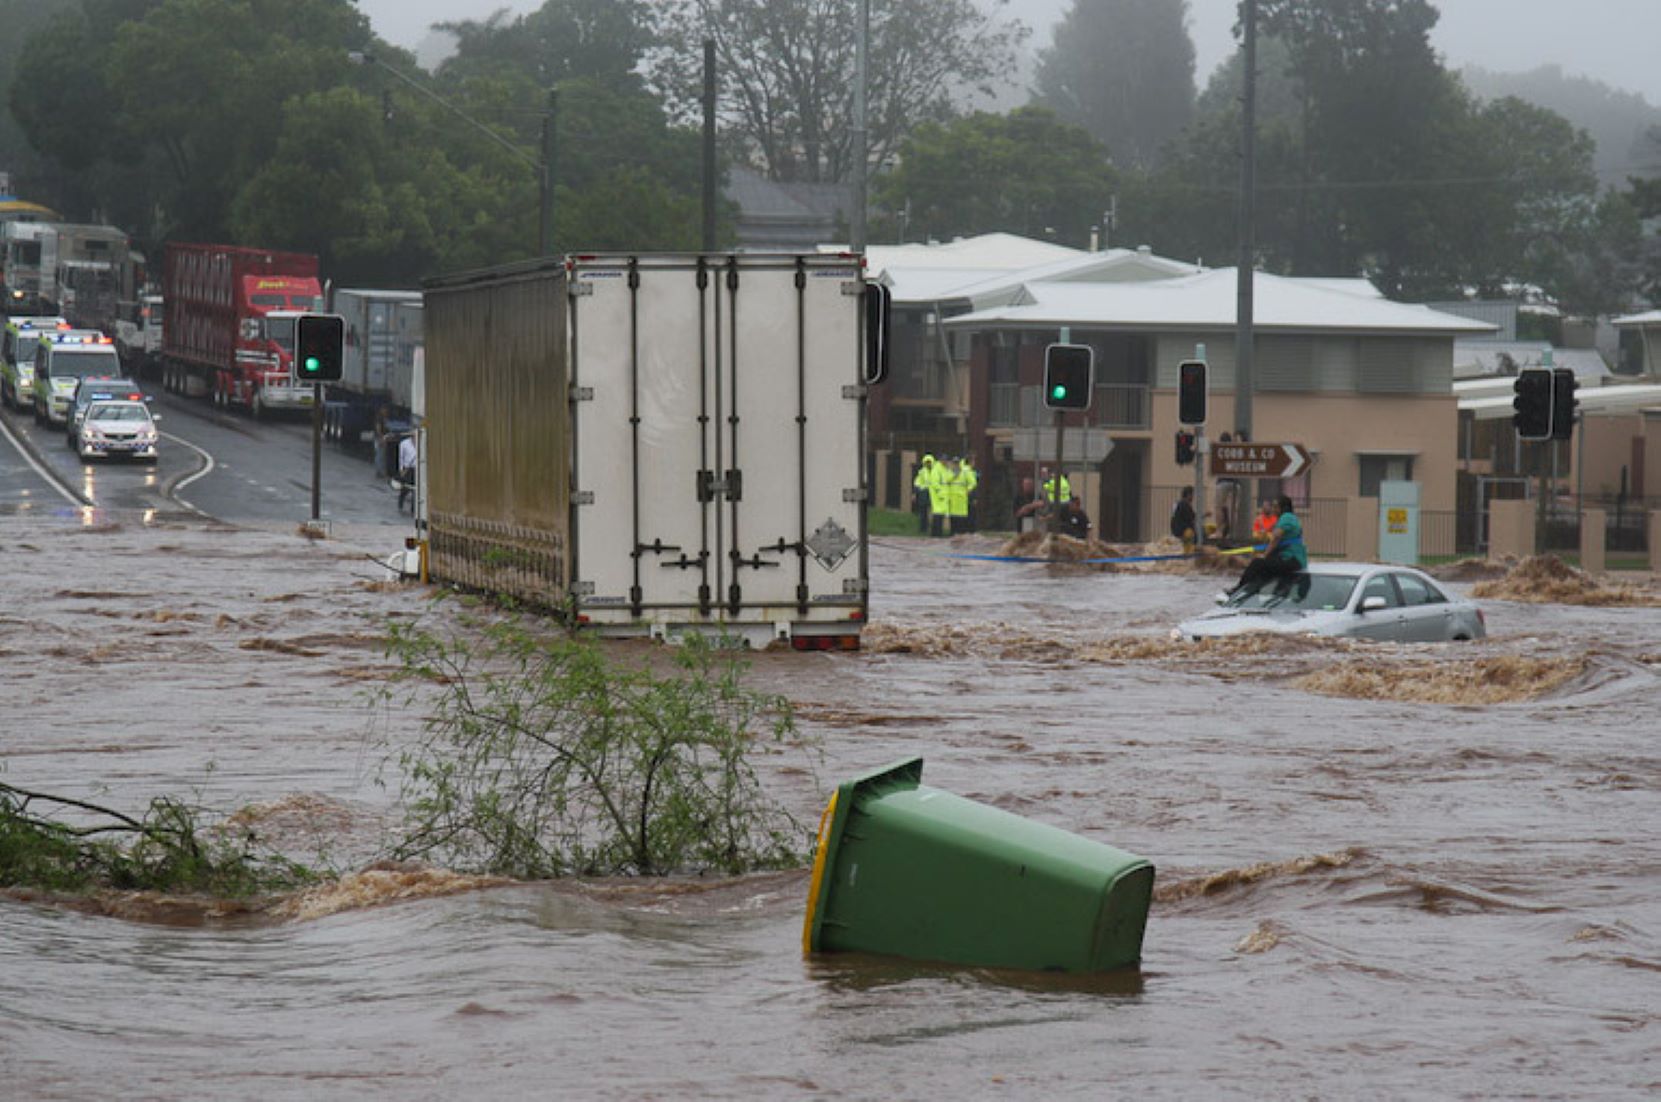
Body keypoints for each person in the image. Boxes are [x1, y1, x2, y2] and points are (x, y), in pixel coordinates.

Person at [1228, 495, 1306, 594]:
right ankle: (1254, 591)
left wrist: (1265, 555)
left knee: (1257, 563)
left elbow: (1276, 538)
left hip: (1291, 560)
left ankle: (1239, 590)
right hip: (1293, 560)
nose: (1273, 509)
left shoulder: (1286, 517)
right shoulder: (1291, 518)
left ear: (1283, 508)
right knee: (1264, 569)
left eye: (1275, 506)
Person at [912, 455, 936, 534]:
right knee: (923, 512)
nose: (928, 464)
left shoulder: (936, 471)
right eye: (926, 462)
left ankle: (932, 528)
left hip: (933, 493)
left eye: (929, 462)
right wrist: (915, 493)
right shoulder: (922, 471)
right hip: (924, 493)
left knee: (933, 512)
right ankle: (923, 528)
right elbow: (917, 483)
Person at [396, 432, 417, 513]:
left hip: (417, 468)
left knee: (416, 489)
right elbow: (401, 457)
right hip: (407, 468)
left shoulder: (421, 443)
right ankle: (400, 503)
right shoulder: (404, 443)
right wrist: (401, 469)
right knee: (406, 488)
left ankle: (414, 508)